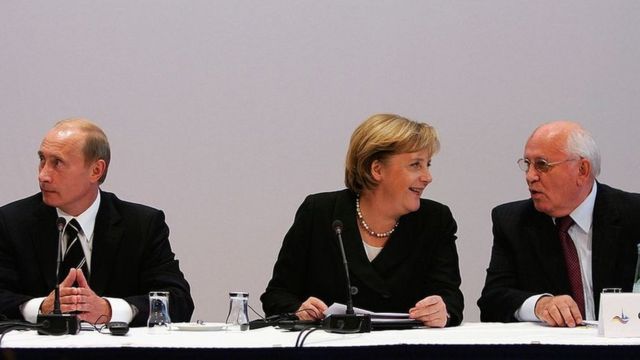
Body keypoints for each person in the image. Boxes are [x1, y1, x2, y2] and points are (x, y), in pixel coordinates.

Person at [261, 114, 464, 327]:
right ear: (376, 169)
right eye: (415, 165)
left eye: (427, 165)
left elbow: (451, 298)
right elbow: (277, 294)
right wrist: (299, 309)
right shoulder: (319, 212)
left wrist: (442, 311)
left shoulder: (435, 220)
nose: (427, 177)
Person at [0, 118, 194, 326]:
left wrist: (109, 310)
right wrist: (40, 308)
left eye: (57, 162)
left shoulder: (142, 225)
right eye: (42, 160)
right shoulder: (11, 222)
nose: (43, 175)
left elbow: (178, 301)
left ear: (96, 171)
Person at [478, 121, 640, 327]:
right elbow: (492, 302)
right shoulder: (513, 222)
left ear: (582, 170)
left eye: (542, 165)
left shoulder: (634, 215)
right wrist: (540, 305)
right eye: (527, 164)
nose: (530, 176)